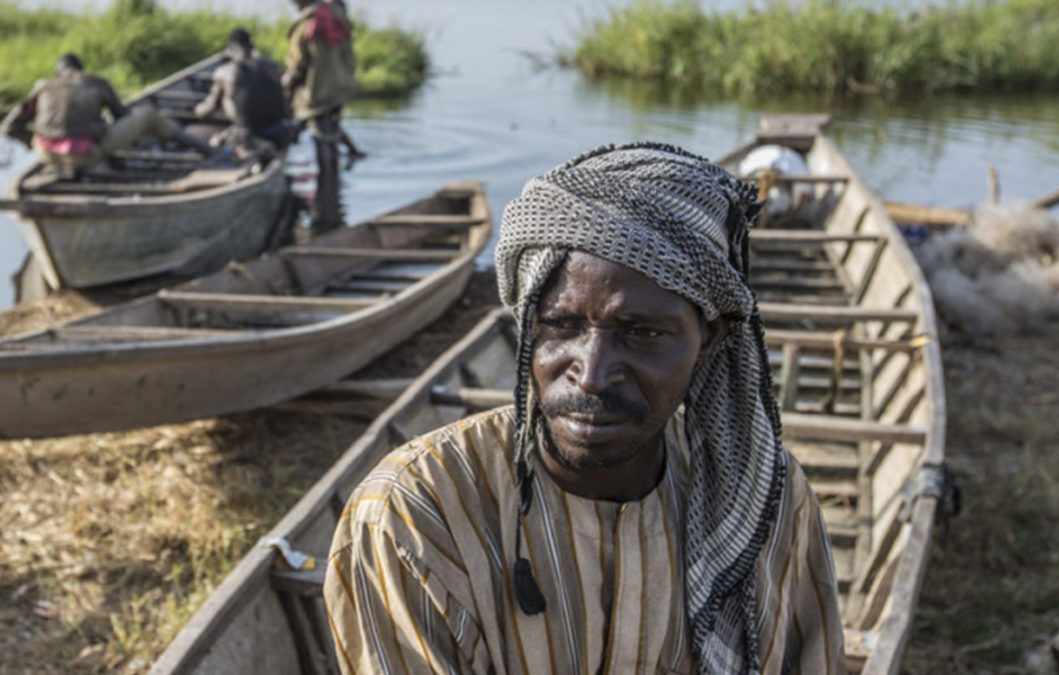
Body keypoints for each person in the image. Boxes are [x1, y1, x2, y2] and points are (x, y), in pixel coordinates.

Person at [323, 143, 845, 674]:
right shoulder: (415, 513)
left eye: (642, 333)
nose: (591, 375)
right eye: (560, 326)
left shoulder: (766, 499)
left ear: (708, 338)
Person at [0, 53, 218, 174]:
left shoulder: (43, 86)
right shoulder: (95, 83)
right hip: (87, 153)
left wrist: (37, 143)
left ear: (59, 72)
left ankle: (59, 158)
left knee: (55, 139)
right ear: (80, 69)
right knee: (148, 115)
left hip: (46, 153)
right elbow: (122, 116)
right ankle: (206, 149)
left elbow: (8, 128)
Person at [282, 0, 358, 234]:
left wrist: (286, 84)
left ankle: (326, 197)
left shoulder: (306, 25)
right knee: (330, 133)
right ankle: (332, 189)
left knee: (321, 138)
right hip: (340, 86)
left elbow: (298, 65)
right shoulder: (336, 16)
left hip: (318, 90)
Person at [194, 28, 291, 157]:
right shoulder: (271, 66)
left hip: (247, 136)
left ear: (232, 48)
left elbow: (207, 111)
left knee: (211, 139)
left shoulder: (225, 72)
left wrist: (196, 110)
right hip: (278, 133)